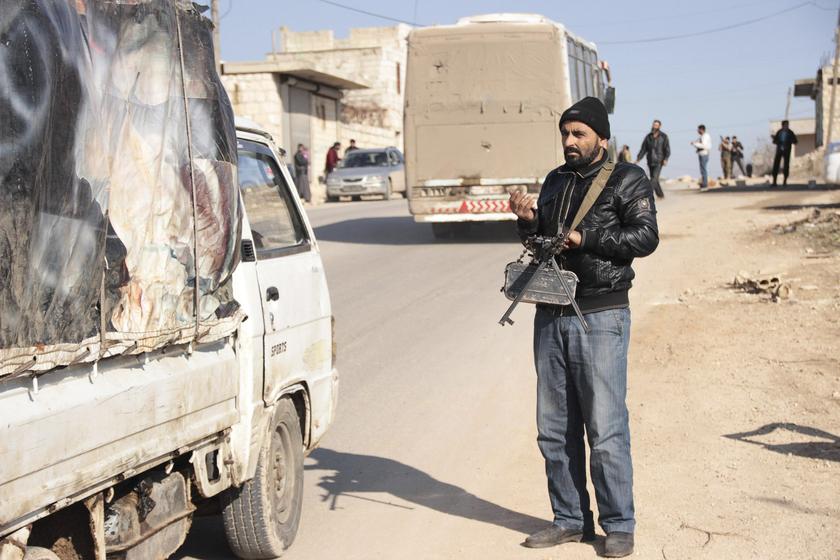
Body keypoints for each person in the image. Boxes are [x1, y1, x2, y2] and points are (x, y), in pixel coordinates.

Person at [508, 96, 659, 558]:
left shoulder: (628, 179)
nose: (570, 142)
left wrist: (586, 237)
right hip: (551, 312)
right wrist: (528, 220)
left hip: (601, 313)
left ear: (602, 138)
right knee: (554, 428)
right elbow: (543, 243)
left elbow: (645, 237)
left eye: (579, 135)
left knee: (606, 427)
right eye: (565, 135)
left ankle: (619, 525)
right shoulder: (555, 180)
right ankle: (570, 520)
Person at [635, 119, 670, 199]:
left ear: (659, 126)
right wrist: (638, 159)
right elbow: (643, 149)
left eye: (656, 125)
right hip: (650, 160)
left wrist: (666, 159)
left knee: (654, 178)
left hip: (659, 161)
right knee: (654, 179)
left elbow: (667, 149)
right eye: (654, 125)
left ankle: (646, 194)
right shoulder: (648, 137)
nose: (655, 126)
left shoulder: (664, 136)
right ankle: (660, 195)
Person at [771, 120, 798, 186]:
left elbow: (795, 141)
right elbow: (774, 141)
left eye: (787, 125)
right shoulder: (779, 132)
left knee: (786, 166)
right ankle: (774, 182)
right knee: (776, 165)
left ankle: (785, 181)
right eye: (785, 125)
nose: (786, 126)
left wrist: (791, 141)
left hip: (787, 151)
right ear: (782, 126)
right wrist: (776, 140)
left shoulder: (790, 132)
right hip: (779, 151)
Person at [690, 125, 712, 189]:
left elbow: (704, 145)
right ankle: (704, 183)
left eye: (698, 129)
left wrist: (695, 144)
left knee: (703, 170)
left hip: (704, 153)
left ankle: (705, 185)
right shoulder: (702, 136)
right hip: (701, 153)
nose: (697, 131)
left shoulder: (705, 136)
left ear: (701, 129)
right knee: (702, 170)